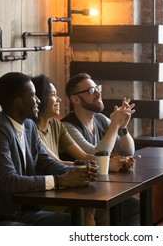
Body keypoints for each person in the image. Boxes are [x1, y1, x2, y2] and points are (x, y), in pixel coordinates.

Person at [0, 72, 98, 226]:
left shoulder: (28, 125)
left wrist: (75, 172)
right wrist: (60, 180)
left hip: (24, 212)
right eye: (33, 96)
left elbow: (46, 162)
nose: (38, 101)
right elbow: (10, 182)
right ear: (18, 102)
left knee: (81, 222)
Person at [61, 73, 140, 226]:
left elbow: (127, 152)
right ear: (75, 99)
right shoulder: (67, 126)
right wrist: (114, 125)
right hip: (78, 194)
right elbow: (97, 155)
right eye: (91, 91)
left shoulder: (100, 119)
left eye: (97, 88)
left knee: (134, 206)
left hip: (99, 188)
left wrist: (122, 128)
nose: (98, 93)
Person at [31, 74, 104, 225]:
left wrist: (107, 162)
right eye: (53, 95)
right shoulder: (31, 130)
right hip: (44, 193)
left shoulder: (56, 125)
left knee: (115, 205)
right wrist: (95, 166)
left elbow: (83, 155)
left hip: (62, 188)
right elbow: (55, 162)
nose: (59, 99)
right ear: (39, 99)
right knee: (88, 208)